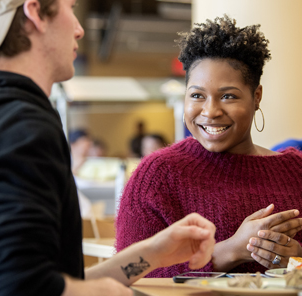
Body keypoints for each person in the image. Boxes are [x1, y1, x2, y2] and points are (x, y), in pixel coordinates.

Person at [0, 0, 216, 295]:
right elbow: (18, 286)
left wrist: (152, 253)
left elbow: (54, 281)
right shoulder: (21, 123)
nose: (78, 28)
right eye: (71, 7)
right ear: (35, 13)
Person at [116, 15, 302, 277]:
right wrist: (230, 251)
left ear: (256, 97)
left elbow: (298, 265)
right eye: (197, 96)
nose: (210, 111)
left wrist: (296, 260)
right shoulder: (157, 175)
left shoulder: (295, 171)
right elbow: (127, 274)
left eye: (228, 96)